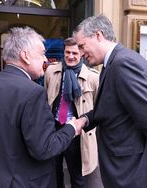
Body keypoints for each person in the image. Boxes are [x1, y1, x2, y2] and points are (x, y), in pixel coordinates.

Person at [0, 27, 84, 188]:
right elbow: (44, 148)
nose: (45, 59)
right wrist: (71, 128)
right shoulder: (33, 93)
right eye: (42, 53)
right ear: (25, 56)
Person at [73, 14, 147, 188]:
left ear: (98, 35)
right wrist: (85, 119)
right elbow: (111, 108)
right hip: (126, 169)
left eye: (82, 46)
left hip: (133, 172)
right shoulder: (112, 63)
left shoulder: (122, 64)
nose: (80, 54)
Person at [44, 37, 101, 188]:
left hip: (77, 133)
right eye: (67, 52)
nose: (70, 56)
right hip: (54, 130)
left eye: (74, 53)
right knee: (54, 174)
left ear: (82, 52)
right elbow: (45, 100)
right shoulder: (51, 71)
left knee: (78, 177)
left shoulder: (93, 77)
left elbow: (99, 108)